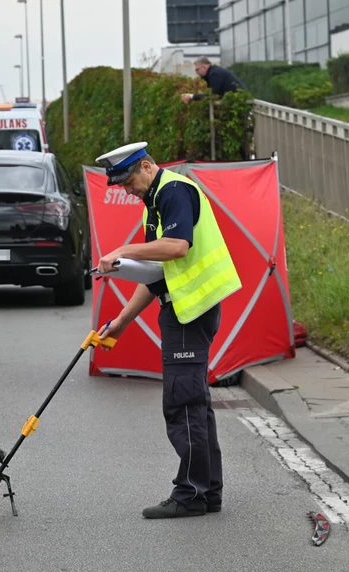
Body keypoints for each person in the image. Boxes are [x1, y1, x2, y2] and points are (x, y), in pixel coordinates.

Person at [94, 142, 242, 519]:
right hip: (183, 308)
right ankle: (207, 492)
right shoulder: (156, 201)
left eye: (128, 181)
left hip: (190, 312)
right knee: (196, 405)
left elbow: (177, 247)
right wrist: (122, 322)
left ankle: (191, 494)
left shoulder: (174, 191)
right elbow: (158, 274)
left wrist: (123, 252)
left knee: (184, 402)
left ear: (146, 166)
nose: (127, 190)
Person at [180, 57, 245, 105]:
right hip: (238, 103)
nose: (196, 72)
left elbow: (213, 96)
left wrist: (191, 96)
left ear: (204, 67)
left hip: (240, 103)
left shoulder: (215, 74)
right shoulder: (213, 72)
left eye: (197, 69)